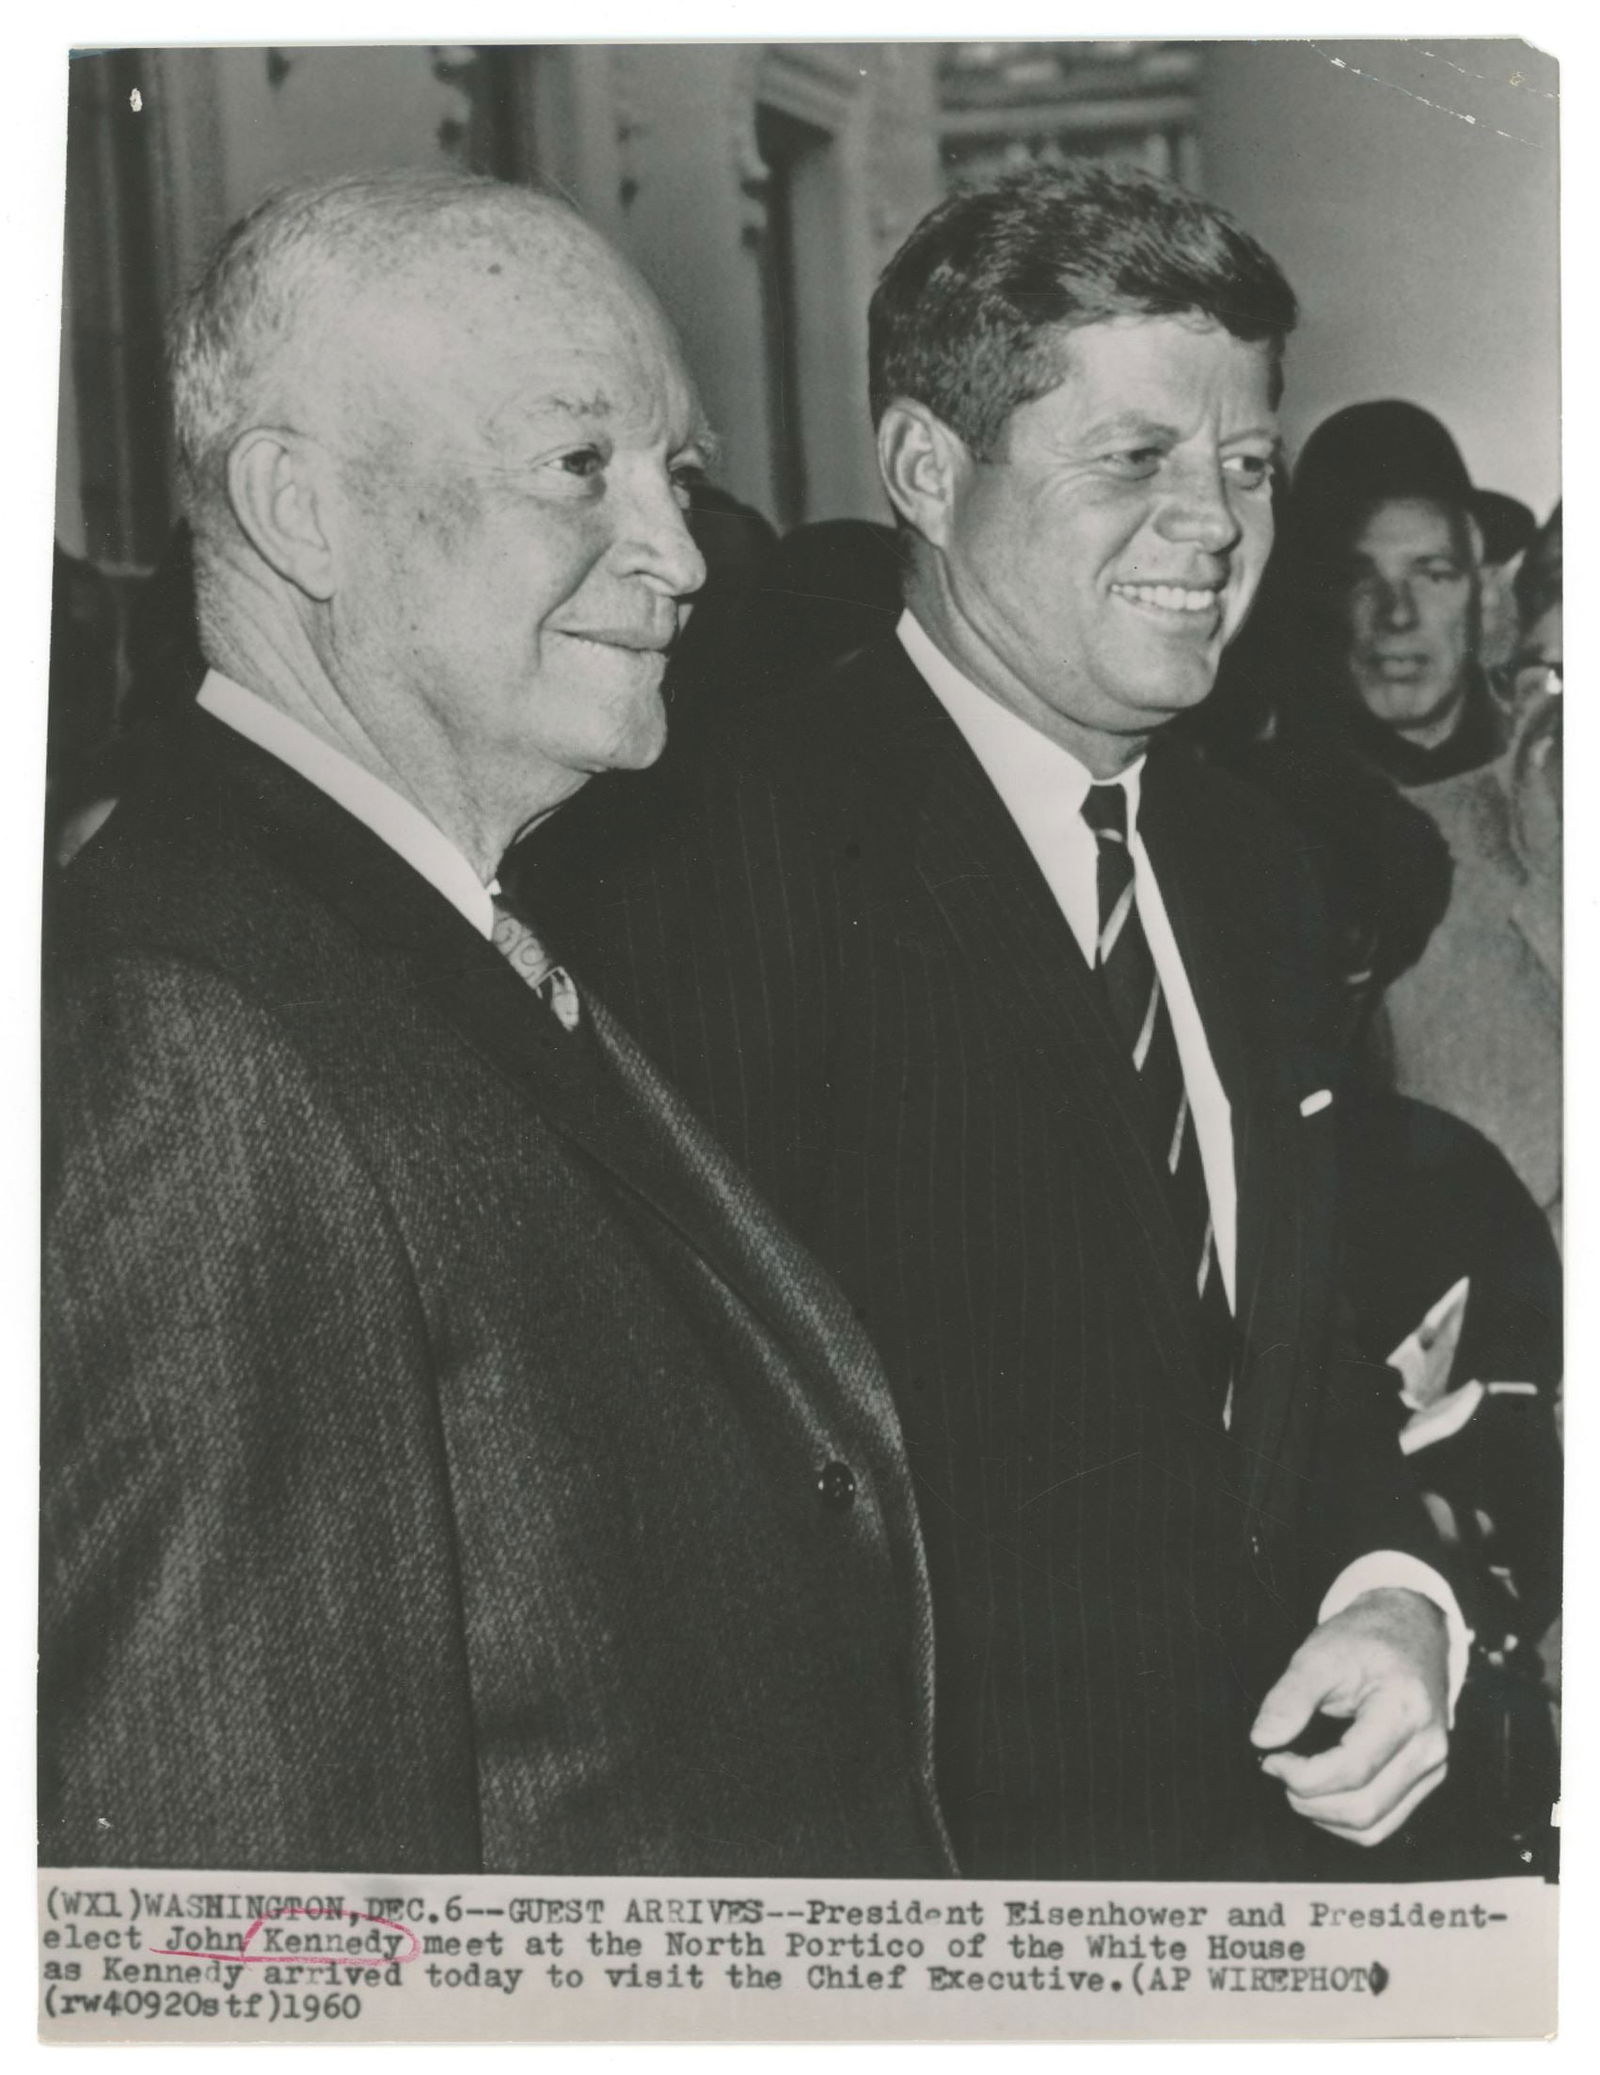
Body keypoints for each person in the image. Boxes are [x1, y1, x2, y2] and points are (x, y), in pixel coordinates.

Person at [520, 165, 1468, 1881]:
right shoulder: (715, 873)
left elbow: (1283, 1360)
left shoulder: (1253, 866)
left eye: (1246, 466)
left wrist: (1392, 1600)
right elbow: (665, 1524)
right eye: (1134, 462)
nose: (1216, 525)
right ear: (926, 473)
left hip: (1268, 1893)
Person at [41, 171, 955, 1879]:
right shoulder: (189, 1044)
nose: (680, 555)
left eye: (674, 476)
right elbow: (251, 1927)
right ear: (299, 508)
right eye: (576, 466)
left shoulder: (436, 935)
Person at [1277, 399, 1534, 786]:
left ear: (1481, 594)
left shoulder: (1553, 775)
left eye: (1434, 575)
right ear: (1311, 598)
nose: (1399, 615)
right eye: (1356, 581)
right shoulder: (1248, 808)